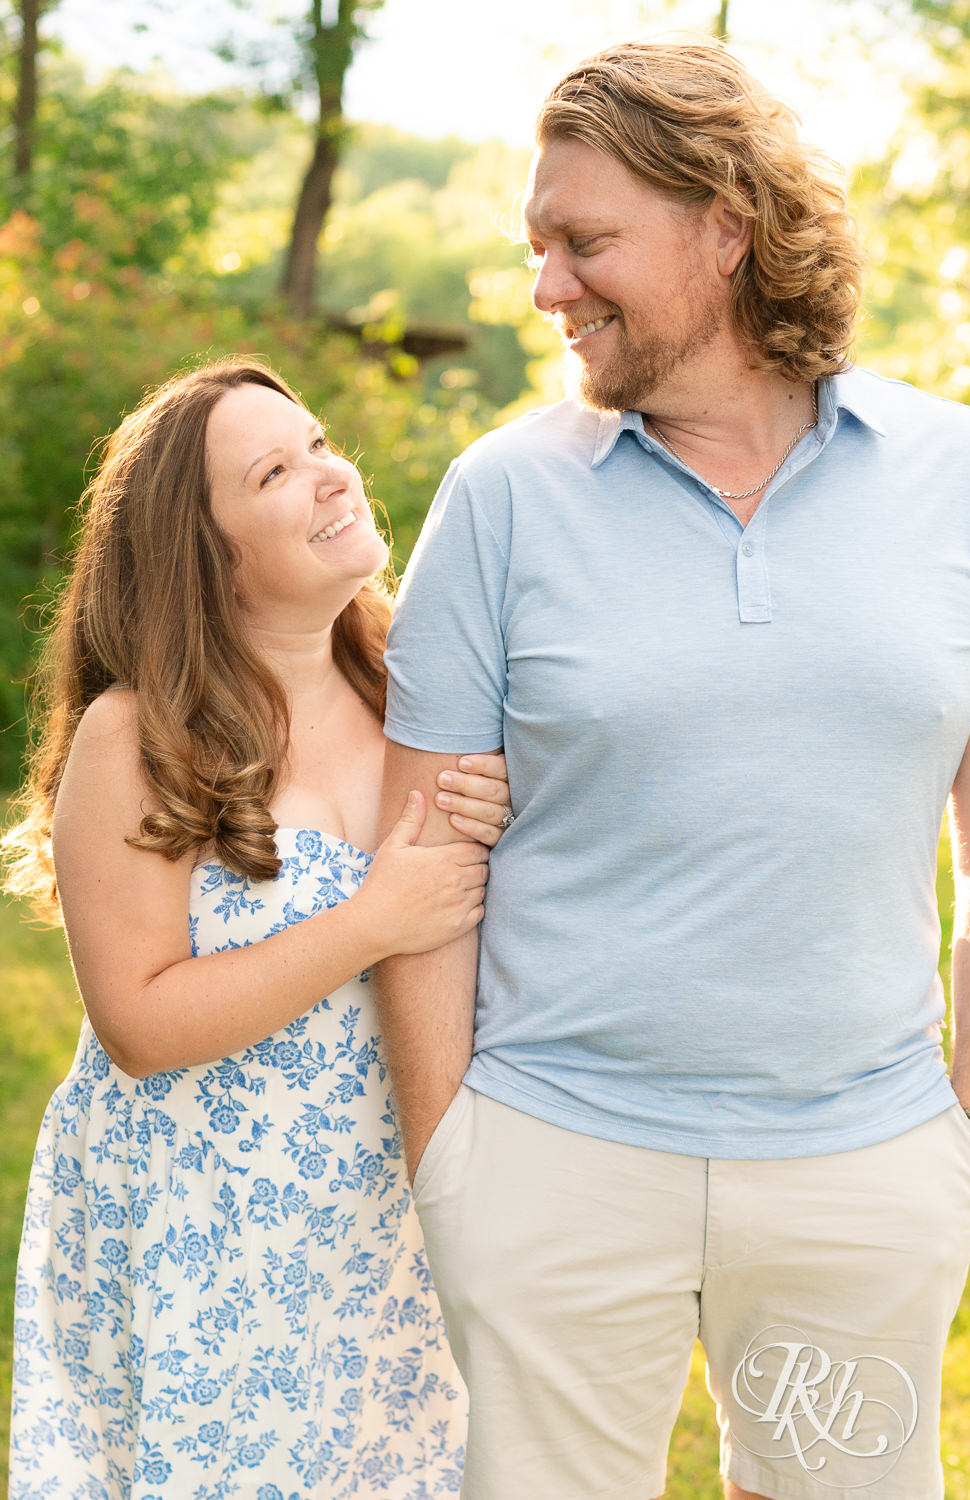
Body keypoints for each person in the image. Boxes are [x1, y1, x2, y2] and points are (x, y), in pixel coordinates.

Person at [375, 35, 970, 1500]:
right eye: (538, 246)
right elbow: (417, 852)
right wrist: (451, 1159)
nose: (546, 287)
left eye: (587, 240)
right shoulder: (501, 497)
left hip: (867, 1163)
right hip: (552, 1155)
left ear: (727, 227)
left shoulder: (967, 477)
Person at [3, 357, 514, 1499]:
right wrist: (373, 919)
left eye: (320, 443)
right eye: (275, 472)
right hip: (200, 1226)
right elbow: (136, 1020)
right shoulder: (138, 737)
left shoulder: (418, 698)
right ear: (206, 554)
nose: (330, 476)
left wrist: (511, 818)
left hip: (384, 1217)